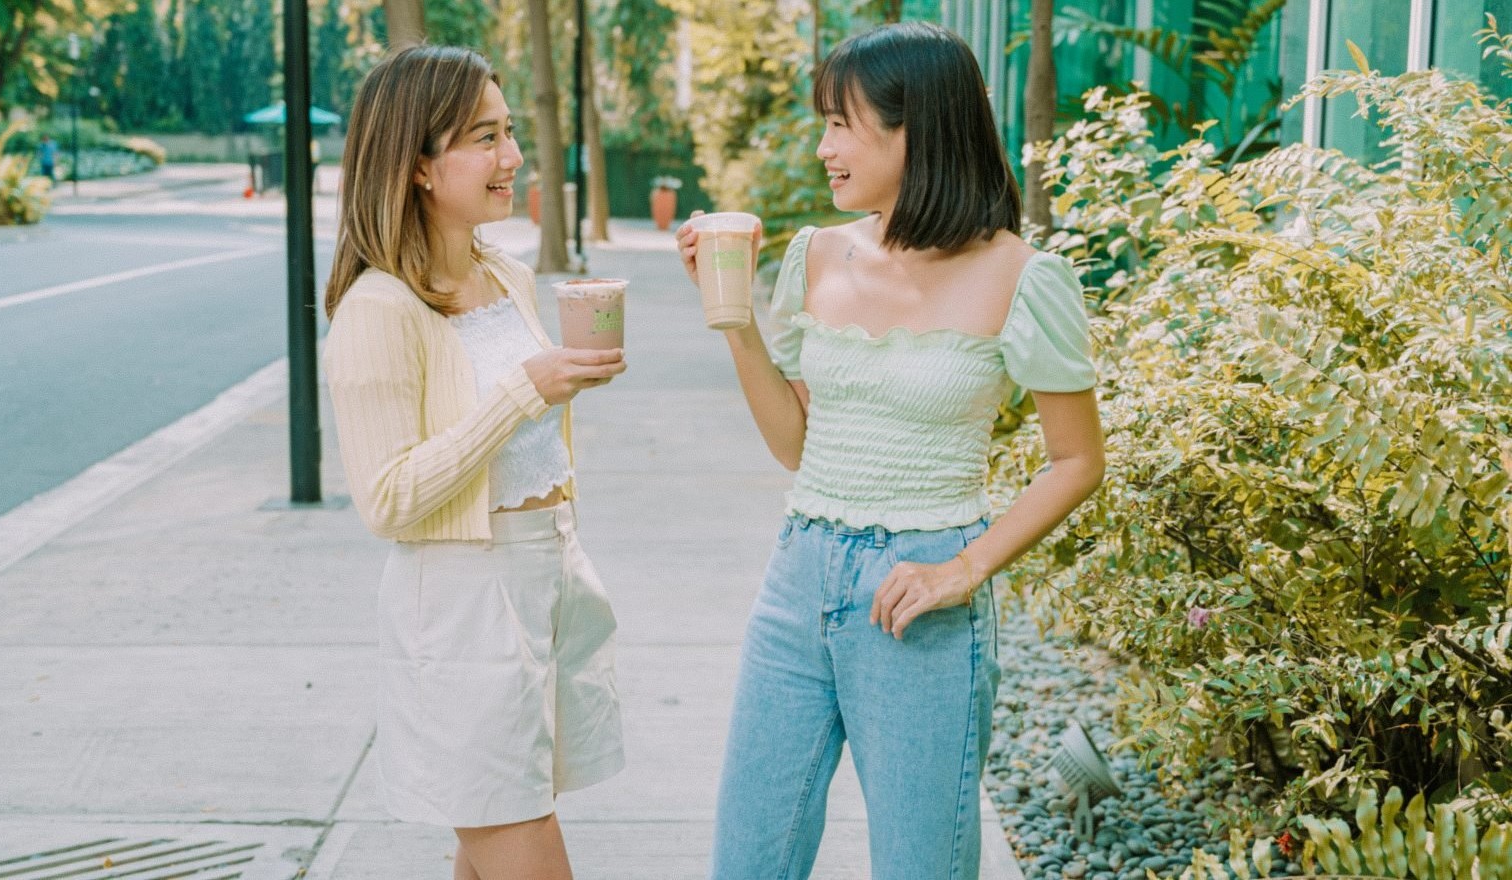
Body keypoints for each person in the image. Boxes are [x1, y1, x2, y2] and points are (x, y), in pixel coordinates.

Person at [674, 21, 1105, 880]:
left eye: (842, 122)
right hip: (798, 580)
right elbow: (799, 446)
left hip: (922, 603)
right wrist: (733, 323)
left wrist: (965, 569)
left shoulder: (1023, 277)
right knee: (748, 861)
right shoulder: (817, 255)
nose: (824, 146)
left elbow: (1078, 460)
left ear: (920, 128)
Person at [322, 45, 627, 880]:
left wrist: (560, 384)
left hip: (548, 579)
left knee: (492, 837)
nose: (514, 158)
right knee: (517, 835)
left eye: (510, 131)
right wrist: (523, 395)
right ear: (419, 165)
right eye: (485, 138)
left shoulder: (508, 275)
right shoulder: (378, 306)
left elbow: (512, 431)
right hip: (462, 607)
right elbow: (389, 500)